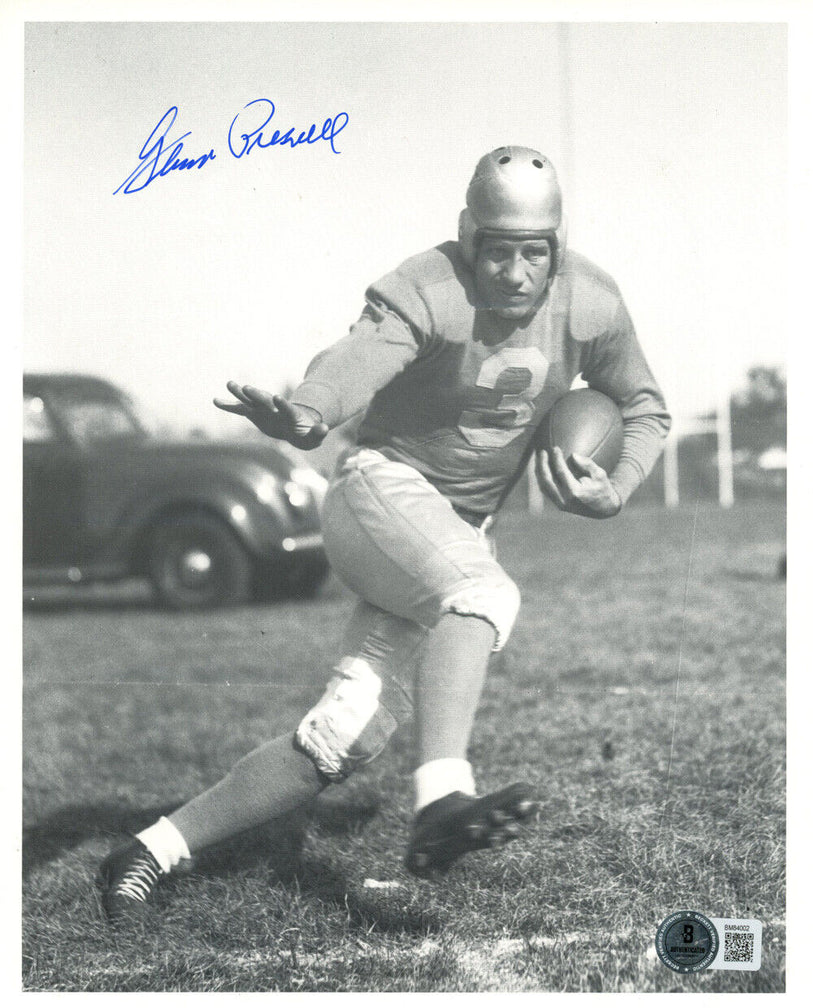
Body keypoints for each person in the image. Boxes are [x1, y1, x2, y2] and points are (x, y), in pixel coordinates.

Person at [97, 146, 670, 922]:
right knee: (482, 593)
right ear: (467, 237)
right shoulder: (427, 286)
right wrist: (309, 410)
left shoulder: (592, 301)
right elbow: (359, 357)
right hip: (379, 493)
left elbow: (641, 404)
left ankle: (148, 850)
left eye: (532, 252)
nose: (513, 273)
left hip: (452, 529)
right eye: (496, 251)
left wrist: (616, 486)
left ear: (556, 246)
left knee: (342, 737)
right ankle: (442, 797)